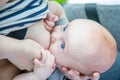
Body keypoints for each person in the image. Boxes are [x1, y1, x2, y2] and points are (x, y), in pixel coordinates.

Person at [0, 0, 116, 80]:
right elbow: (58, 10)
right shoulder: (58, 29)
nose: (55, 34)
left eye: (62, 45)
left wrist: (37, 76)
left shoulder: (53, 72)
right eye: (65, 28)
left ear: (70, 68)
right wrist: (53, 16)